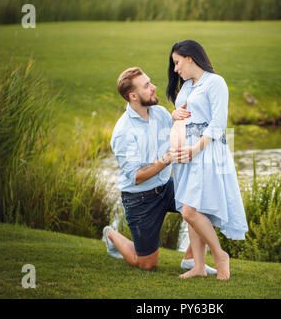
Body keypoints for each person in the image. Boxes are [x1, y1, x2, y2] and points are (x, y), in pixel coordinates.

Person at [104, 66, 216, 274]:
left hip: (166, 187)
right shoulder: (123, 132)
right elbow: (136, 177)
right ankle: (111, 234)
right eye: (147, 86)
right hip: (140, 199)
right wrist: (166, 159)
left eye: (150, 82)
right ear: (133, 96)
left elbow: (177, 129)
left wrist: (178, 116)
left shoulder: (159, 113)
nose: (154, 87)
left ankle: (191, 260)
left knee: (209, 205)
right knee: (147, 264)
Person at [167, 40, 249, 280]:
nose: (175, 69)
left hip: (206, 150)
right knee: (191, 206)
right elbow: (182, 113)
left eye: (177, 62)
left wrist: (195, 148)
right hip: (187, 153)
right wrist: (174, 113)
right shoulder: (187, 86)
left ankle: (220, 255)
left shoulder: (215, 83)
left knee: (190, 211)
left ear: (190, 58)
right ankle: (199, 266)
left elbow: (218, 124)